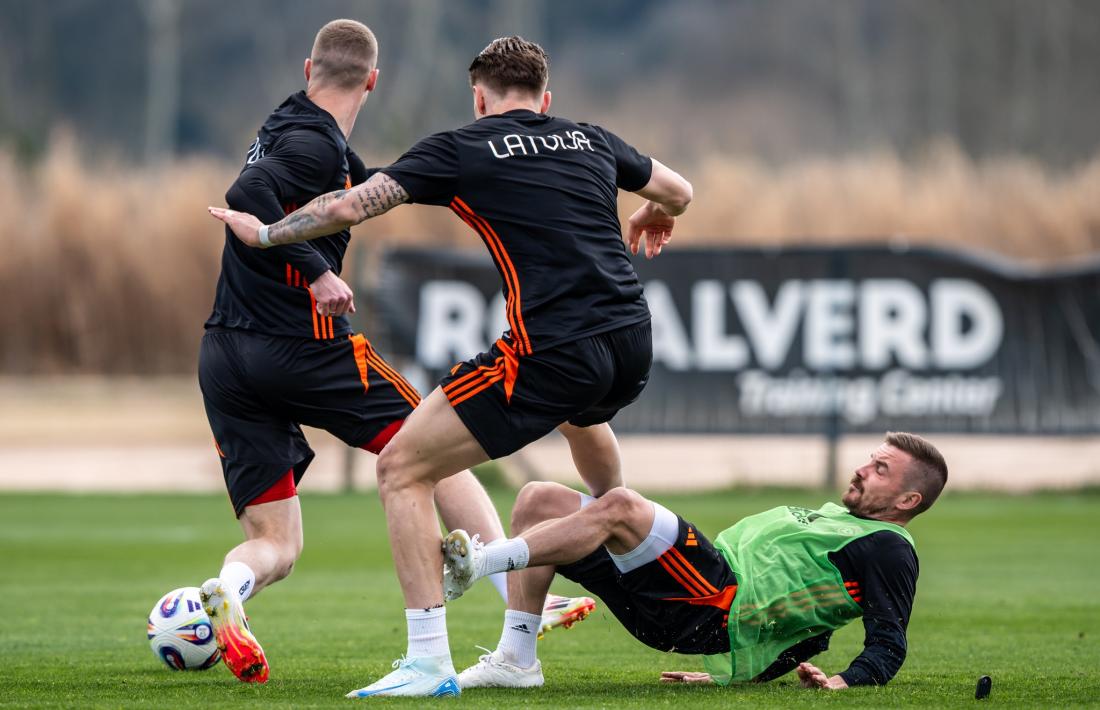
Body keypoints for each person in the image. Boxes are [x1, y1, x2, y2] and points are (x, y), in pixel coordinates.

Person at [209, 36, 693, 697]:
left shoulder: (463, 146)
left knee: (403, 465)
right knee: (584, 422)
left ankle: (429, 659)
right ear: (545, 99)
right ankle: (620, 546)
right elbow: (680, 189)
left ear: (479, 97)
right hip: (630, 339)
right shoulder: (588, 138)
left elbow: (348, 206)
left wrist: (263, 235)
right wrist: (657, 209)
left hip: (551, 349)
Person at [442, 432, 947, 690]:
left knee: (621, 506)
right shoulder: (841, 521)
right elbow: (816, 626)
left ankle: (481, 563)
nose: (863, 468)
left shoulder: (888, 546)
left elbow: (888, 640)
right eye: (870, 458)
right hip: (685, 601)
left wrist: (846, 681)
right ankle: (516, 661)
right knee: (538, 500)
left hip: (714, 600)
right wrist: (740, 676)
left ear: (908, 502)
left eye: (881, 469)